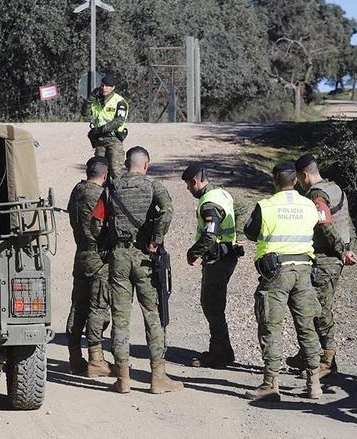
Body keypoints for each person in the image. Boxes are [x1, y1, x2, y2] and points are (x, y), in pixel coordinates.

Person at [102, 146, 182, 394]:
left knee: (120, 318)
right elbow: (167, 212)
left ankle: (123, 378)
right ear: (146, 165)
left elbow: (98, 221)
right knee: (152, 315)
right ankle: (157, 377)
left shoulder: (111, 187)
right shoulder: (153, 186)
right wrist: (155, 241)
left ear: (127, 164)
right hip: (145, 258)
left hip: (119, 258)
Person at [243, 161, 323, 401]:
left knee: (271, 326)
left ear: (274, 181)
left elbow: (250, 232)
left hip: (276, 271)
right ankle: (314, 383)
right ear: (296, 180)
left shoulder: (266, 206)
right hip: (304, 270)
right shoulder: (309, 204)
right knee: (307, 327)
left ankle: (270, 384)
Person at [285, 153, 357, 379]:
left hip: (326, 259)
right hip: (336, 256)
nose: (299, 183)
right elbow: (348, 222)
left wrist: (341, 251)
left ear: (304, 175)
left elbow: (325, 226)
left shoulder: (317, 194)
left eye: (299, 178)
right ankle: (309, 354)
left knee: (319, 309)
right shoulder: (336, 188)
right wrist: (348, 247)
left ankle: (326, 361)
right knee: (315, 306)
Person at [181, 163, 246, 368]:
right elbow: (242, 206)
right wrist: (238, 236)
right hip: (226, 256)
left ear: (195, 181)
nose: (189, 190)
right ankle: (225, 351)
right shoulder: (222, 193)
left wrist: (193, 253)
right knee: (215, 304)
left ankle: (218, 355)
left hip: (217, 259)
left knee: (212, 305)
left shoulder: (209, 203)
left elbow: (210, 234)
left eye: (188, 186)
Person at [65, 156, 113, 377]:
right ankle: (96, 359)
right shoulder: (99, 195)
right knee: (98, 307)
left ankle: (74, 357)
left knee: (78, 306)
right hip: (98, 259)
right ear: (104, 175)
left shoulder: (77, 191)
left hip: (80, 254)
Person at [87, 74, 129, 180]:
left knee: (115, 171)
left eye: (108, 86)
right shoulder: (96, 100)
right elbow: (84, 112)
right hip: (99, 140)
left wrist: (100, 129)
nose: (104, 88)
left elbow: (119, 121)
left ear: (113, 87)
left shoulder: (119, 101)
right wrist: (90, 98)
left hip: (113, 140)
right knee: (98, 171)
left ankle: (118, 194)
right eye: (103, 85)